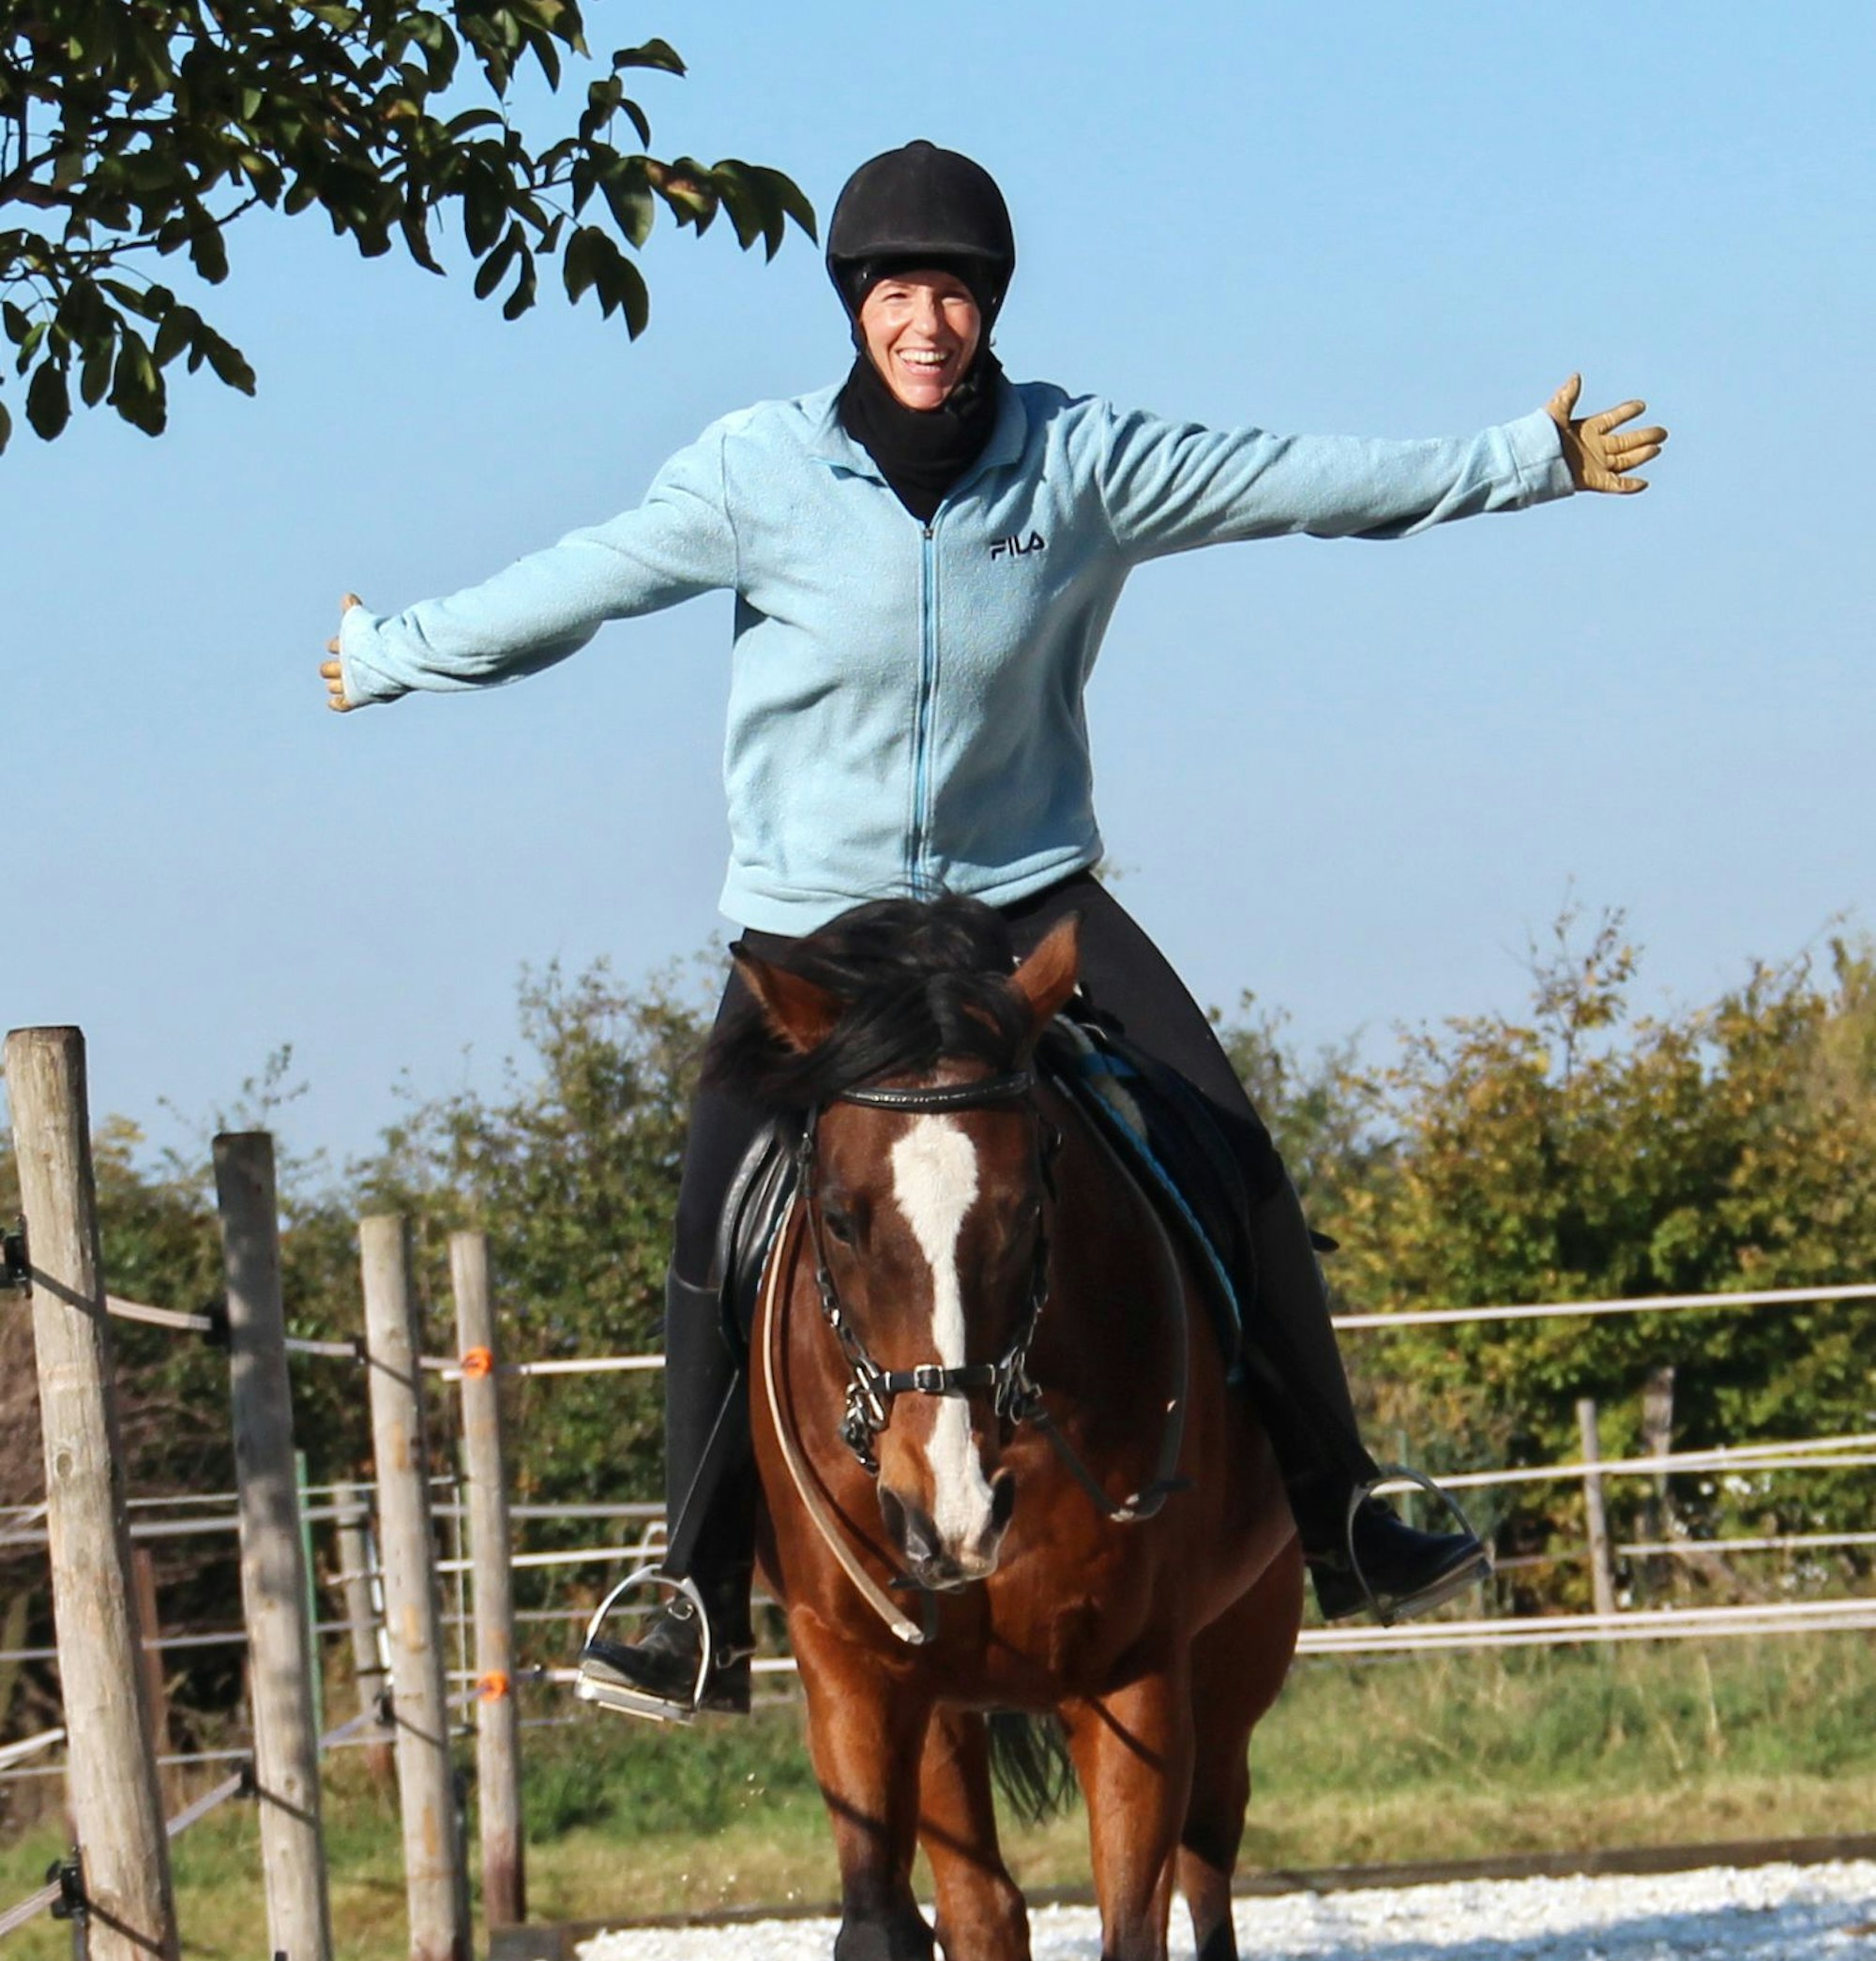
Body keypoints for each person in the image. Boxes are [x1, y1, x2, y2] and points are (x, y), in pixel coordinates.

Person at [321, 140, 1666, 1718]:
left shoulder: (1078, 462)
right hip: (818, 936)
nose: (926, 320)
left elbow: (1293, 483)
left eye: (951, 291)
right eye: (897, 291)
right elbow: (582, 585)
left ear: (988, 307)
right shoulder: (758, 473)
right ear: (856, 308)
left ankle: (1346, 1502)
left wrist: (1527, 456)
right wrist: (396, 652)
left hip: (1029, 903)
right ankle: (692, 1591)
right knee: (712, 1215)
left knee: (1231, 1141)